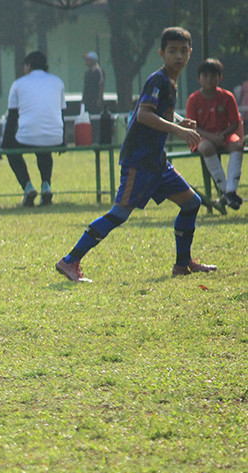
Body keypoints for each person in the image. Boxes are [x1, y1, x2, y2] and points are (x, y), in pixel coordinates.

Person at [56, 27, 216, 283]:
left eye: (183, 51)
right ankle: (70, 260)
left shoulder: (170, 83)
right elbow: (143, 114)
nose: (179, 56)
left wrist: (178, 121)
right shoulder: (157, 79)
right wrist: (177, 129)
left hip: (157, 162)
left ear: (190, 54)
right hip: (139, 162)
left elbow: (156, 111)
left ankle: (182, 264)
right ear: (162, 54)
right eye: (173, 51)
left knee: (191, 203)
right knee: (119, 214)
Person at [2, 51, 66, 206]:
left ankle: (27, 186)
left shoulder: (18, 84)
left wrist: (5, 145)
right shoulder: (58, 82)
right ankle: (46, 185)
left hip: (27, 137)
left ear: (28, 66)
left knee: (13, 153)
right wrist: (63, 140)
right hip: (55, 137)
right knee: (44, 147)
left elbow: (12, 118)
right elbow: (61, 114)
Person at [186, 58, 243, 209]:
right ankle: (225, 190)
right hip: (203, 137)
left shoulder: (227, 96)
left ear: (220, 77)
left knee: (238, 145)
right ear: (199, 78)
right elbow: (193, 126)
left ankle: (231, 190)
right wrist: (212, 138)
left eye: (213, 76)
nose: (210, 80)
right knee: (206, 148)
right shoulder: (193, 99)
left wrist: (222, 135)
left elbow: (235, 123)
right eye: (205, 76)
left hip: (224, 135)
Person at [82, 51, 105, 116]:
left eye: (87, 60)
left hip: (95, 101)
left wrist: (99, 99)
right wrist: (83, 99)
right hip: (88, 101)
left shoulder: (99, 71)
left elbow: (101, 85)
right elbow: (85, 87)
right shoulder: (87, 73)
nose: (86, 61)